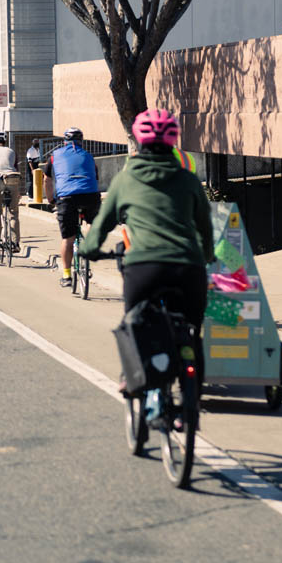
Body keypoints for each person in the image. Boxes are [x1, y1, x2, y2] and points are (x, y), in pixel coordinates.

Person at [79, 109, 214, 390]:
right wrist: (207, 256)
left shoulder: (125, 180)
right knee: (191, 330)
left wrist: (90, 249)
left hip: (145, 267)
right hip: (188, 268)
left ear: (138, 142)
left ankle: (132, 376)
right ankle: (190, 395)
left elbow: (102, 224)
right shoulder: (189, 180)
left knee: (134, 322)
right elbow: (205, 228)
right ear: (172, 143)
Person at [42, 127, 101, 287]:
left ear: (64, 142)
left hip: (67, 198)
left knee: (68, 239)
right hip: (90, 196)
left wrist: (50, 200)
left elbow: (47, 180)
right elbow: (95, 179)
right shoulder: (89, 156)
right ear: (81, 142)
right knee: (91, 222)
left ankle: (66, 276)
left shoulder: (54, 157)